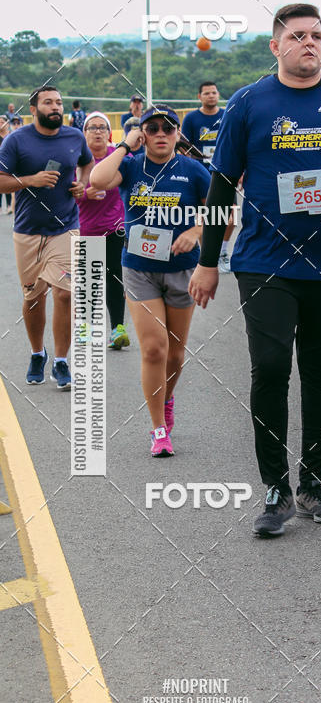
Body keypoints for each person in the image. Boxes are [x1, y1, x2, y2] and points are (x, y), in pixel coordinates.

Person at [189, 2, 321, 537]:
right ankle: (276, 489)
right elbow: (219, 185)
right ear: (275, 46)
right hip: (264, 262)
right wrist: (208, 263)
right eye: (298, 36)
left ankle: (313, 485)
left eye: (317, 36)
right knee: (272, 367)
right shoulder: (249, 103)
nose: (310, 44)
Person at [90, 104, 210, 456]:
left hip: (181, 269)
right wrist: (126, 145)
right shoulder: (129, 166)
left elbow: (223, 211)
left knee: (175, 354)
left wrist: (196, 231)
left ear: (177, 134)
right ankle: (158, 428)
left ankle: (167, 399)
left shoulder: (193, 170)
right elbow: (97, 181)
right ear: (143, 133)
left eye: (168, 128)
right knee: (154, 348)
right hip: (139, 268)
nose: (160, 134)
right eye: (152, 128)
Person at [0, 85, 93, 388]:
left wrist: (82, 184)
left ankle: (62, 361)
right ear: (34, 109)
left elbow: (86, 163)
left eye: (59, 102)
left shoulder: (74, 137)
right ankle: (37, 353)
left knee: (65, 293)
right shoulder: (16, 141)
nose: (56, 107)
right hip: (27, 232)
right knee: (33, 298)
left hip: (65, 226)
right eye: (49, 102)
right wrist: (31, 180)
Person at [76, 111, 129, 349]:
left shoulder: (118, 159)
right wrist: (83, 195)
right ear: (84, 133)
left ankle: (117, 329)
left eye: (102, 127)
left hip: (114, 228)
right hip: (85, 228)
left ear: (109, 133)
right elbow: (63, 196)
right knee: (88, 281)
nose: (97, 131)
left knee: (113, 278)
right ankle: (86, 328)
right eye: (92, 127)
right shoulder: (76, 161)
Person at [182, 81, 233, 273]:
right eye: (206, 93)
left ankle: (223, 253)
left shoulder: (227, 114)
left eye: (214, 92)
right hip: (202, 174)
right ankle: (207, 257)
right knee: (206, 217)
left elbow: (235, 144)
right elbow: (185, 147)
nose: (211, 96)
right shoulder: (192, 118)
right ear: (199, 97)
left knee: (230, 217)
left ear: (218, 94)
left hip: (226, 173)